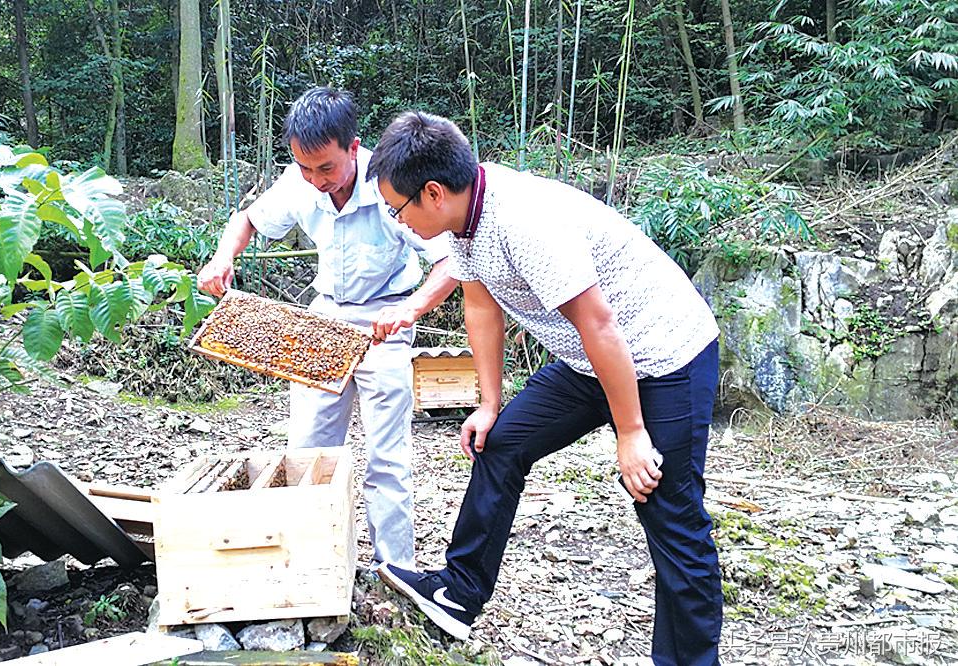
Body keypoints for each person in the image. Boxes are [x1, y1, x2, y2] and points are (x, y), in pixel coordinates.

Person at [365, 111, 723, 665]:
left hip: (664, 354)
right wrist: (489, 404)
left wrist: (631, 433)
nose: (398, 220)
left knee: (666, 509)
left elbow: (599, 323)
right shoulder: (464, 218)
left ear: (432, 193)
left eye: (398, 208)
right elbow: (481, 305)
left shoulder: (522, 221)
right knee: (501, 442)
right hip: (589, 361)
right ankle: (459, 592)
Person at [197, 89, 458, 569]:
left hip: (387, 320)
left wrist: (412, 309)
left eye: (326, 168)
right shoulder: (299, 184)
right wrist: (222, 257)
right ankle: (310, 564)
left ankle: (394, 573)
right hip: (323, 319)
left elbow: (450, 261)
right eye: (304, 168)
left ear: (354, 148)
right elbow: (247, 220)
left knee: (387, 460)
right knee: (308, 451)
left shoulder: (392, 187)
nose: (316, 180)